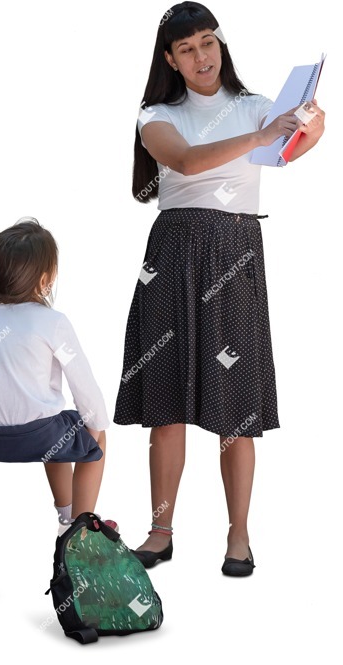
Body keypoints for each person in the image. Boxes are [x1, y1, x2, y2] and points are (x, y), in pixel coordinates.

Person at [116, 2, 325, 576]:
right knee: (166, 399)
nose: (200, 56)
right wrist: (263, 133)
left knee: (236, 404)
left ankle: (239, 536)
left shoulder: (257, 106)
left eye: (207, 42)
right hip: (173, 252)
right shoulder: (157, 113)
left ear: (220, 44)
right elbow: (184, 162)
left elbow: (289, 149)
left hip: (235, 251)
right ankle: (161, 531)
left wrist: (310, 124)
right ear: (170, 59)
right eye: (186, 49)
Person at [0, 218, 109, 534]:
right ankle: (81, 528)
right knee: (89, 436)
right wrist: (94, 434)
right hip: (36, 438)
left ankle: (66, 517)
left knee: (59, 423)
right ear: (44, 279)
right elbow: (87, 392)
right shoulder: (52, 321)